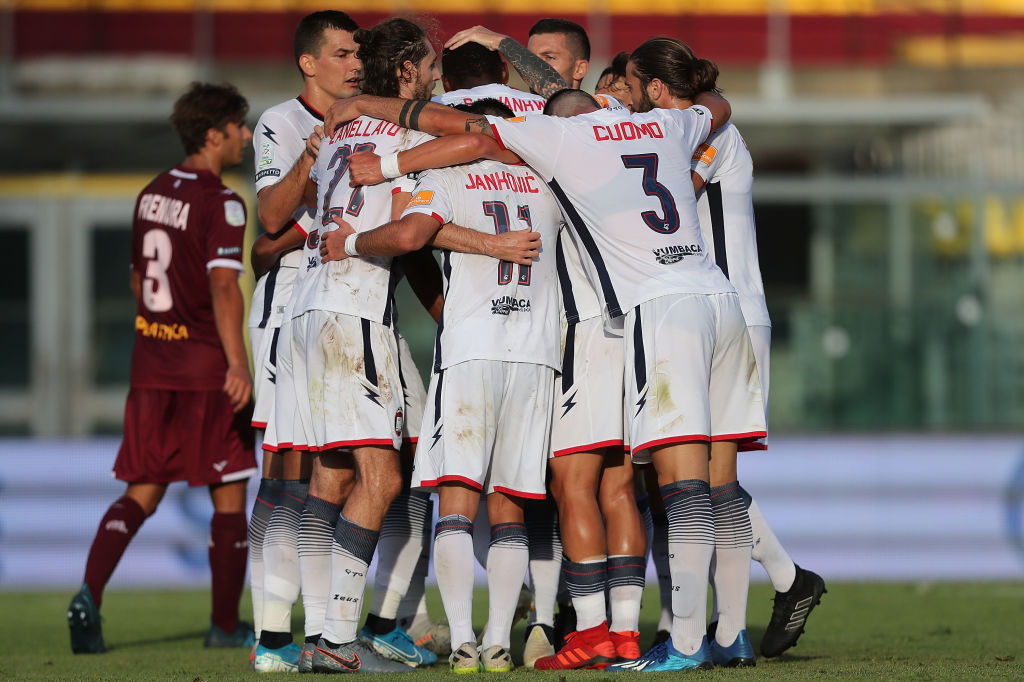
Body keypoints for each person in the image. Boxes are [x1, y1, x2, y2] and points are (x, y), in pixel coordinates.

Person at [323, 77, 765, 672]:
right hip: (708, 304)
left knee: (561, 488)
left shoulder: (554, 150)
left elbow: (459, 166)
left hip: (590, 331)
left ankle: (609, 637)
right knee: (676, 485)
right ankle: (709, 628)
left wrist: (386, 161)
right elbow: (718, 104)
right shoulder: (656, 129)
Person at [325, 97, 563, 673]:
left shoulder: (441, 178)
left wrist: (354, 242)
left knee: (457, 502)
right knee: (509, 504)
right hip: (536, 353)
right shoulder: (550, 180)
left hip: (470, 349)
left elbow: (410, 236)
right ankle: (501, 642)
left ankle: (461, 641)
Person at [627, 39, 826, 661]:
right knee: (695, 483)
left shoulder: (708, 136)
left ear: (658, 88)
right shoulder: (693, 124)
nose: (626, 99)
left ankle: (756, 602)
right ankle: (737, 623)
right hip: (707, 311)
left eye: (631, 86)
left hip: (725, 311)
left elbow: (660, 196)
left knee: (707, 480)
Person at [67, 82, 256, 655]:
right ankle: (224, 625)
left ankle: (88, 595)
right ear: (212, 134)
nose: (247, 136)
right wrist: (237, 363)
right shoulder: (222, 201)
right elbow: (224, 285)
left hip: (151, 366)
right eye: (239, 127)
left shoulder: (150, 193)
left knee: (141, 491)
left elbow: (135, 281)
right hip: (203, 372)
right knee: (227, 493)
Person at [245, 10, 364, 673]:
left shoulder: (370, 122)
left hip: (347, 308)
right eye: (343, 53)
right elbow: (268, 220)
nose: (355, 64)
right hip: (290, 306)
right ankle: (269, 635)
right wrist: (316, 168)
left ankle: (325, 627)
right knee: (285, 469)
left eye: (358, 54)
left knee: (339, 470)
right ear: (308, 63)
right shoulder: (280, 123)